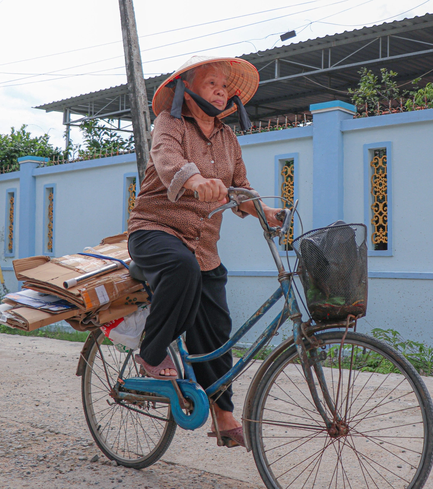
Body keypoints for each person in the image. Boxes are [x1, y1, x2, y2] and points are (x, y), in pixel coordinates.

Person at [127, 56, 282, 448]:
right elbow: (166, 159)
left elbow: (240, 189)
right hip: (154, 232)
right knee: (181, 268)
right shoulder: (171, 124)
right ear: (187, 90)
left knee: (216, 331)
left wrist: (263, 210)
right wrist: (193, 179)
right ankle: (151, 351)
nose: (221, 89)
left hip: (204, 248)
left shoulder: (229, 138)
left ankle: (223, 412)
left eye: (224, 85)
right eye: (211, 82)